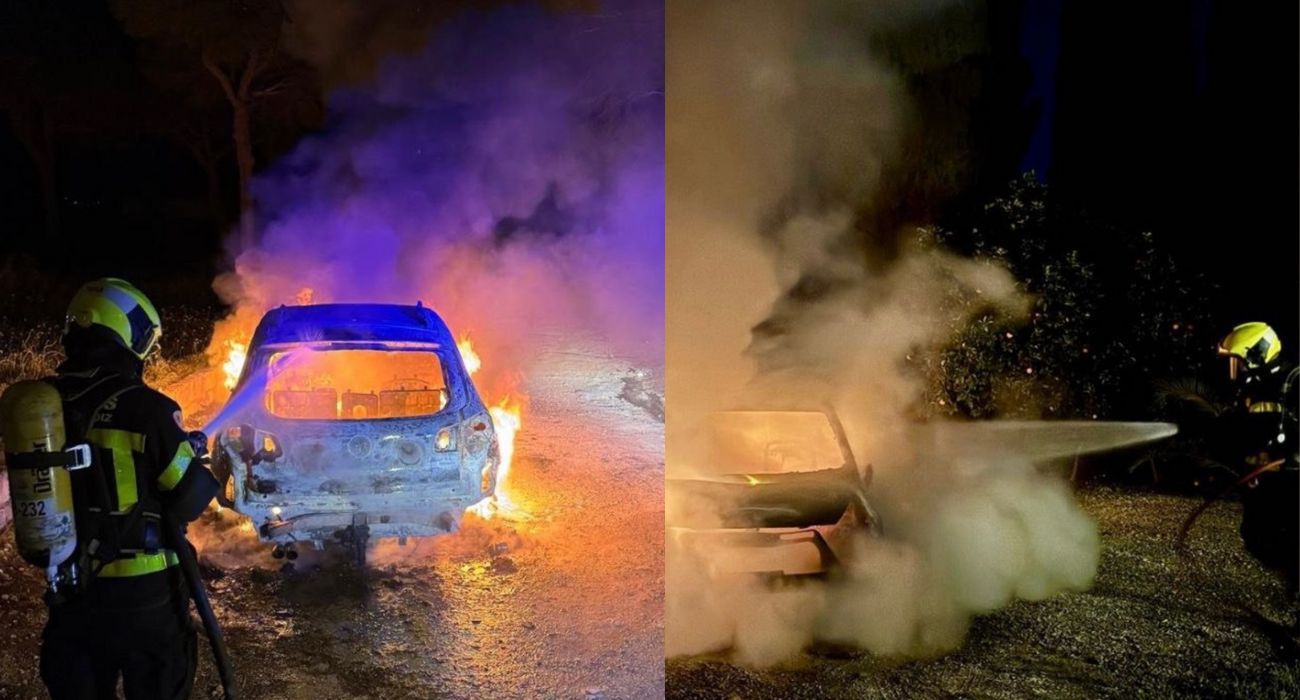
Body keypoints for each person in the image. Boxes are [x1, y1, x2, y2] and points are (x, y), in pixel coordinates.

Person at [39, 278, 218, 699]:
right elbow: (189, 497)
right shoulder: (147, 407)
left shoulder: (41, 406)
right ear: (123, 333)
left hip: (71, 592)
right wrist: (187, 455)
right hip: (144, 596)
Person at [1217, 322, 1299, 594]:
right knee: (1256, 538)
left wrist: (1293, 457)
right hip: (1264, 481)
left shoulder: (1294, 382)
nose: (1235, 368)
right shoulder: (1254, 388)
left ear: (1256, 354)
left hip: (1292, 479)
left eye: (1237, 360)